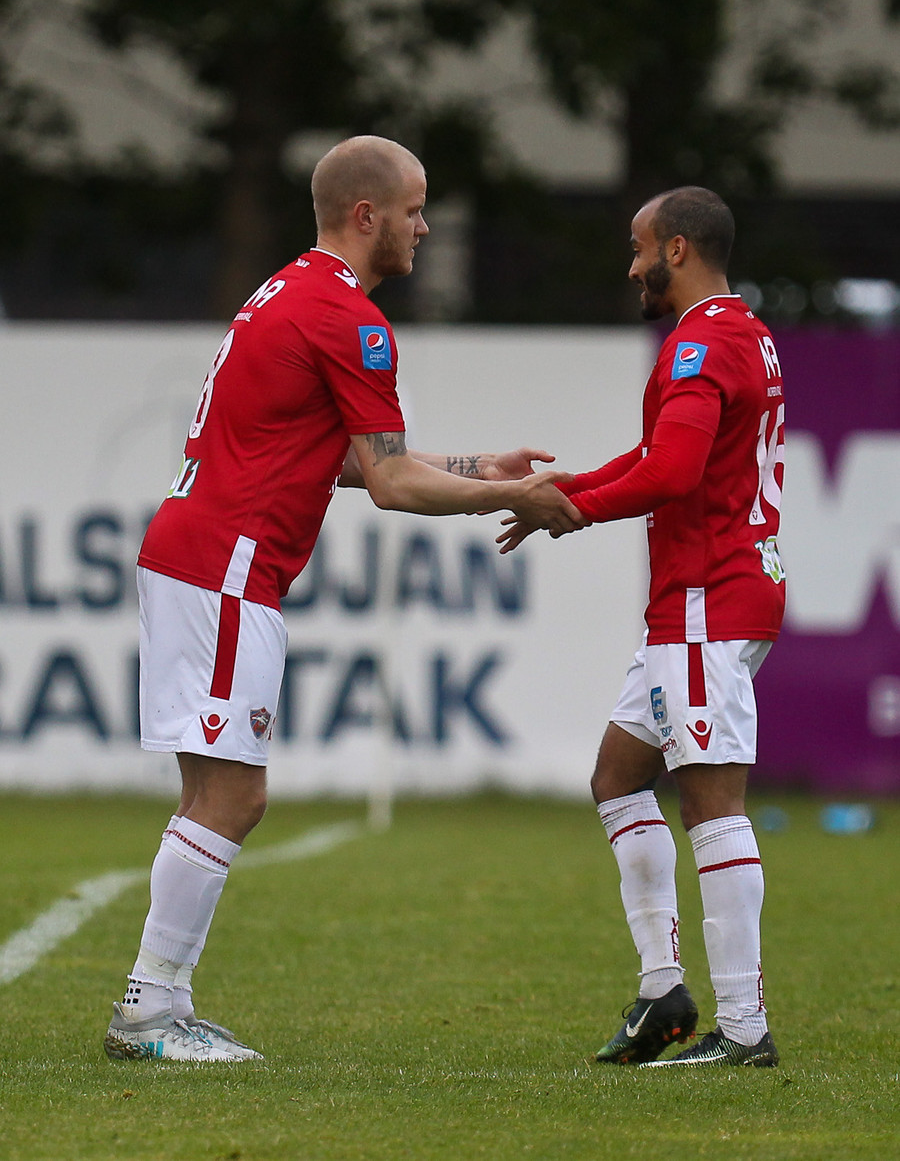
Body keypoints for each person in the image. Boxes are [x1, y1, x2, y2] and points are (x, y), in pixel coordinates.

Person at [103, 135, 585, 1063]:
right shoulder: (350, 319)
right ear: (368, 215)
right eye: (414, 209)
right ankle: (150, 1010)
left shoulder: (288, 291)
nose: (424, 227)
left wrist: (483, 466)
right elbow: (394, 482)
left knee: (212, 791)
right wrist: (512, 497)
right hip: (228, 567)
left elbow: (353, 460)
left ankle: (162, 1003)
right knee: (235, 796)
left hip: (198, 553)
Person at [498, 186, 785, 1068]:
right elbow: (660, 456)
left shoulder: (699, 343)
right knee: (618, 779)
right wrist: (568, 487)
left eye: (638, 247)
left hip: (705, 601)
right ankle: (664, 990)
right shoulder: (745, 333)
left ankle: (744, 1029)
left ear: (677, 250)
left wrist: (571, 513)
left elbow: (674, 473)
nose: (631, 266)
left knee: (710, 805)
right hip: (705, 602)